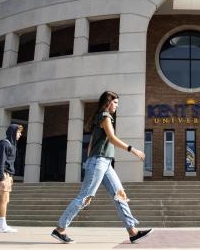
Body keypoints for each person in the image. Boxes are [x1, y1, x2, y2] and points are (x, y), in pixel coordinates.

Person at [51, 91, 153, 244]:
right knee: (84, 198)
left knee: (120, 195)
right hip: (98, 162)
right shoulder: (105, 117)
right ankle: (60, 229)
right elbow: (112, 138)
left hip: (105, 163)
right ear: (108, 102)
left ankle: (132, 232)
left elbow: (91, 145)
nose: (117, 106)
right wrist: (133, 150)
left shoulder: (100, 117)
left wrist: (91, 160)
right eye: (116, 102)